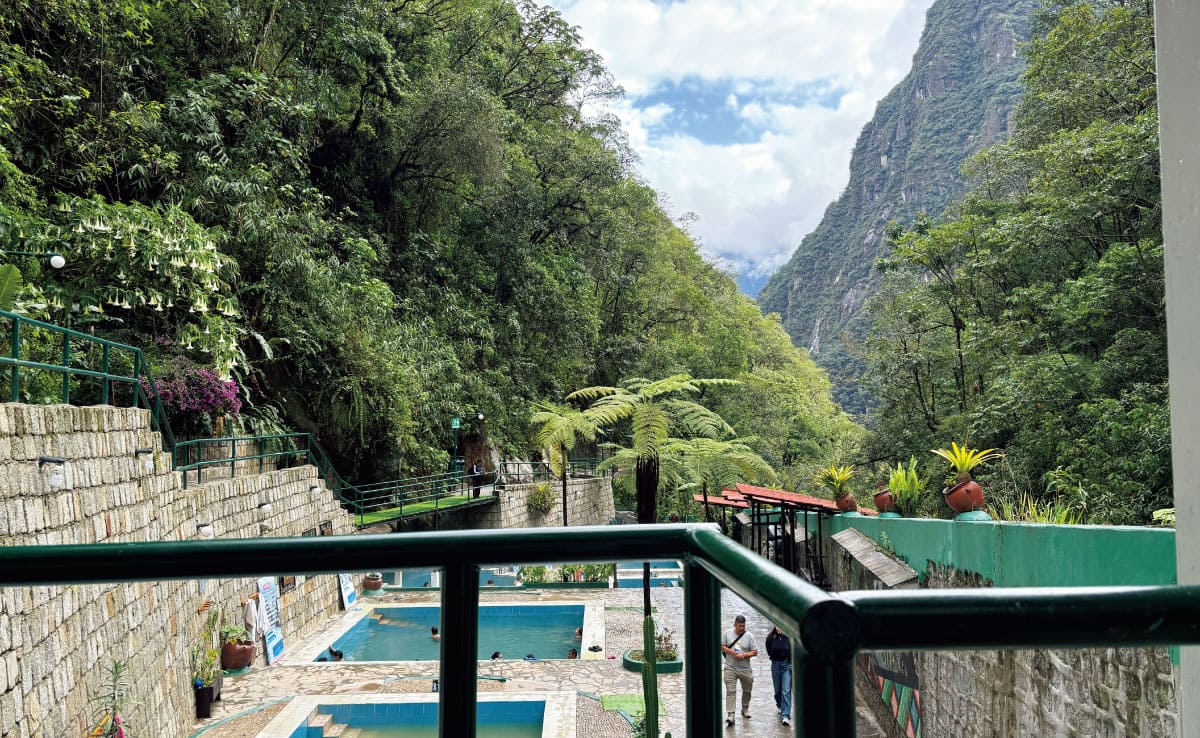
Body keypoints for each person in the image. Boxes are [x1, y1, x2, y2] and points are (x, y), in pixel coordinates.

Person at [720, 615, 758, 726]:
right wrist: (731, 652)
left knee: (747, 690)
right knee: (730, 691)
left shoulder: (749, 636)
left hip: (745, 669)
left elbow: (755, 651)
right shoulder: (727, 633)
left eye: (743, 626)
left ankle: (745, 708)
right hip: (730, 668)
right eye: (740, 626)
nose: (742, 628)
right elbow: (722, 647)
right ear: (734, 625)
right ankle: (731, 714)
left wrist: (744, 655)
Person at [766, 626, 792, 726]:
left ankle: (785, 715)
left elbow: (792, 650)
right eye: (776, 626)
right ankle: (780, 704)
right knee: (777, 690)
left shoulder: (789, 637)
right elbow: (768, 649)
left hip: (786, 665)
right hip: (775, 665)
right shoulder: (771, 637)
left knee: (786, 690)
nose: (779, 628)